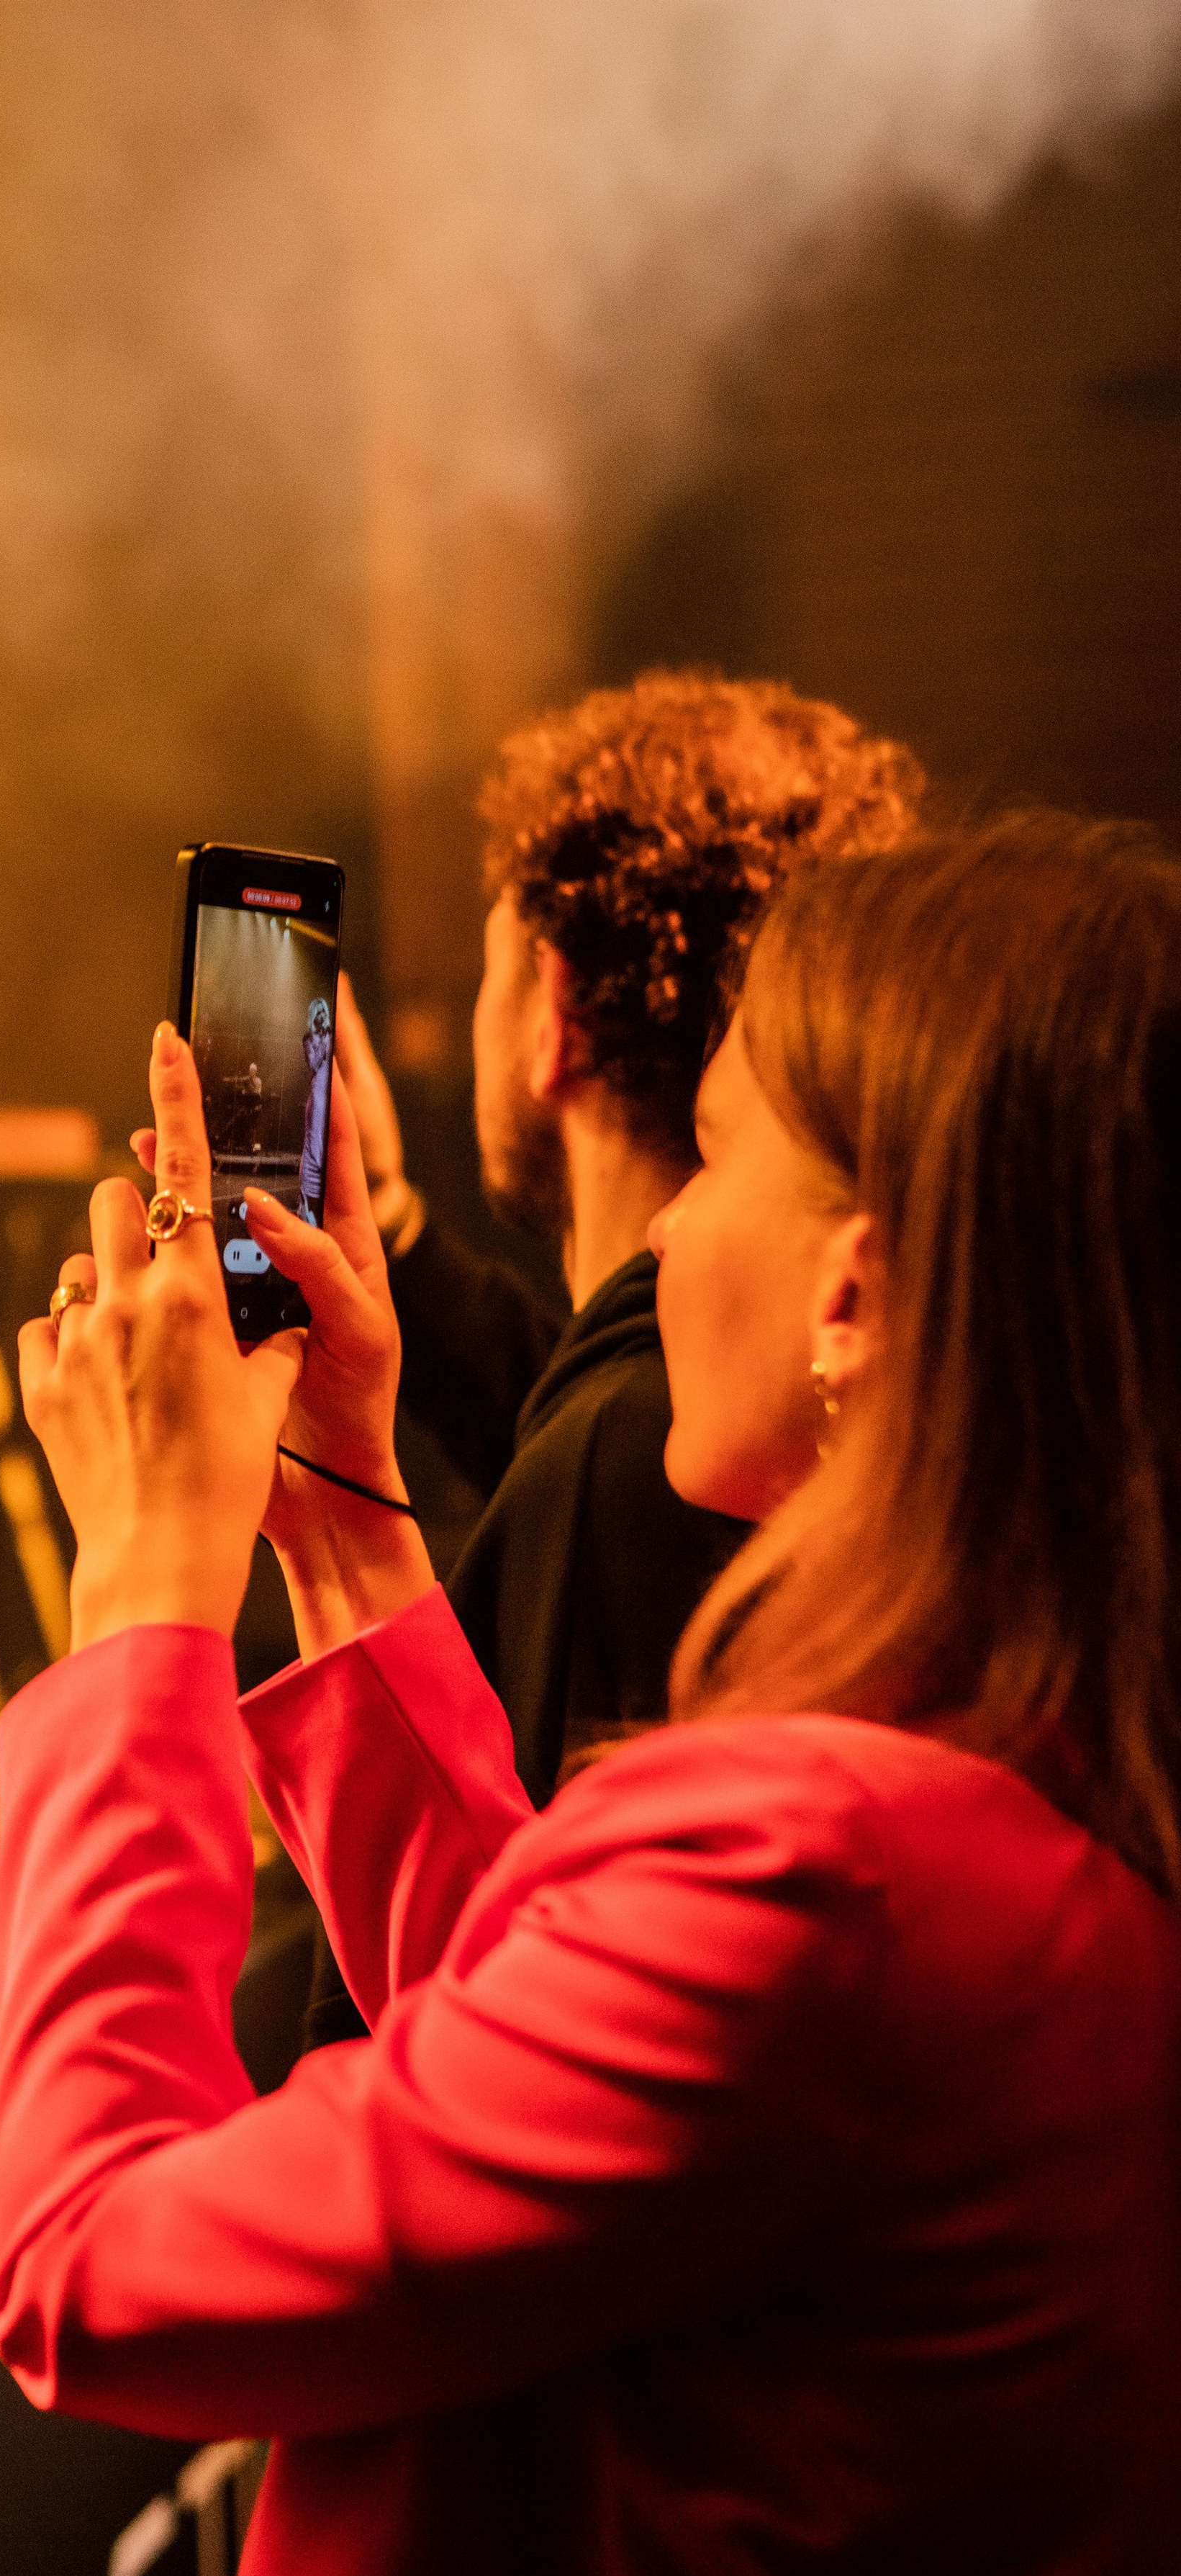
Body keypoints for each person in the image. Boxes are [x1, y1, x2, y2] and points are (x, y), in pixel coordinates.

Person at [0, 814, 1181, 2576]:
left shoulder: (824, 1867)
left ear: (856, 1293)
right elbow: (548, 2095)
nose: (668, 1234)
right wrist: (342, 1520)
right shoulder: (1023, 1780)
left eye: (715, 1159)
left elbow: (95, 2269)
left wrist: (140, 1597)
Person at [354, 672, 925, 1812]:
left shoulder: (632, 1447)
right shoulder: (788, 1391)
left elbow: (461, 1968)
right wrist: (394, 1227)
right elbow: (563, 1389)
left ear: (552, 1014)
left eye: (491, 972)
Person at [296, 996, 332, 1221]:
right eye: (316, 1012)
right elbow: (313, 1064)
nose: (320, 1016)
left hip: (330, 1086)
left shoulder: (331, 1034)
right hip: (319, 1088)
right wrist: (317, 1039)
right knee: (314, 1137)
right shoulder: (310, 1038)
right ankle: (306, 1205)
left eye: (323, 1012)